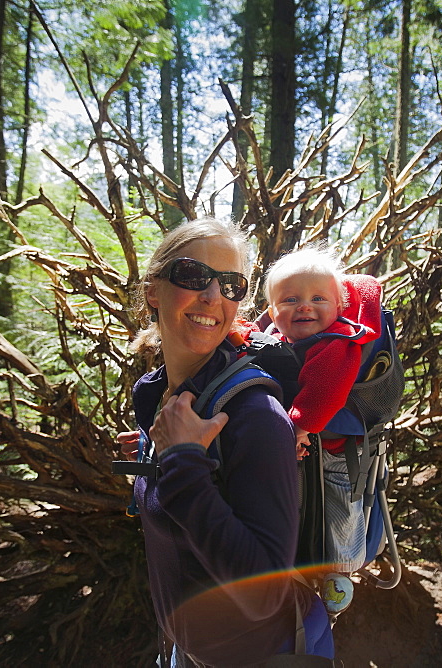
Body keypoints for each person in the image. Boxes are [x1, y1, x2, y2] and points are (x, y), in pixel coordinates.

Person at [117, 218, 334, 666]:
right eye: (194, 276)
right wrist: (151, 453)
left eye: (231, 284)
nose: (214, 296)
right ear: (152, 292)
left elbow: (265, 593)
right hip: (184, 650)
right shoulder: (159, 399)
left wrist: (182, 463)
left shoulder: (255, 417)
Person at [262, 247, 383, 576]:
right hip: (310, 445)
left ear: (339, 306)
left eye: (318, 299)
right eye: (289, 300)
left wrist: (298, 429)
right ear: (272, 312)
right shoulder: (274, 336)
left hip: (339, 451)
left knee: (342, 506)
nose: (304, 306)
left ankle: (342, 572)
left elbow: (325, 391)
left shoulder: (338, 341)